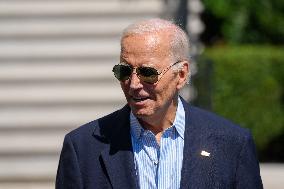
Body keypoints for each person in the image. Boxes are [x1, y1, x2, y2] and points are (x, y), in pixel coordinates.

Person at [56, 18, 263, 189]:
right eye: (125, 71)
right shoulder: (82, 148)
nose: (134, 84)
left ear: (181, 75)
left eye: (148, 73)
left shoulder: (232, 143)